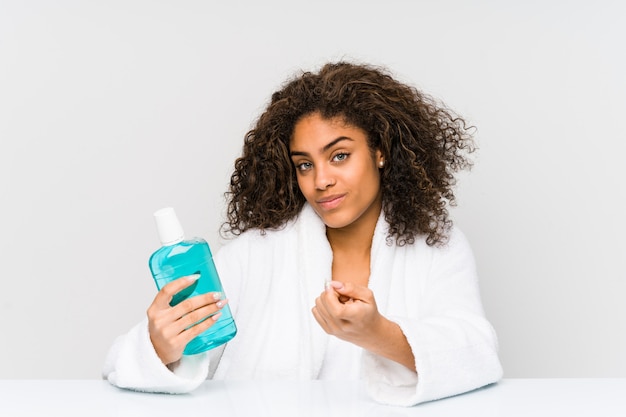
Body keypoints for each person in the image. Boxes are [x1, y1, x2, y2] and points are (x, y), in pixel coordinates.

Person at [103, 61, 503, 406]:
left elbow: (477, 353)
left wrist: (379, 334)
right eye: (304, 165)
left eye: (339, 156)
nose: (321, 180)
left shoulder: (435, 248)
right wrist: (160, 347)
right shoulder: (254, 255)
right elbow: (126, 362)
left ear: (381, 151)